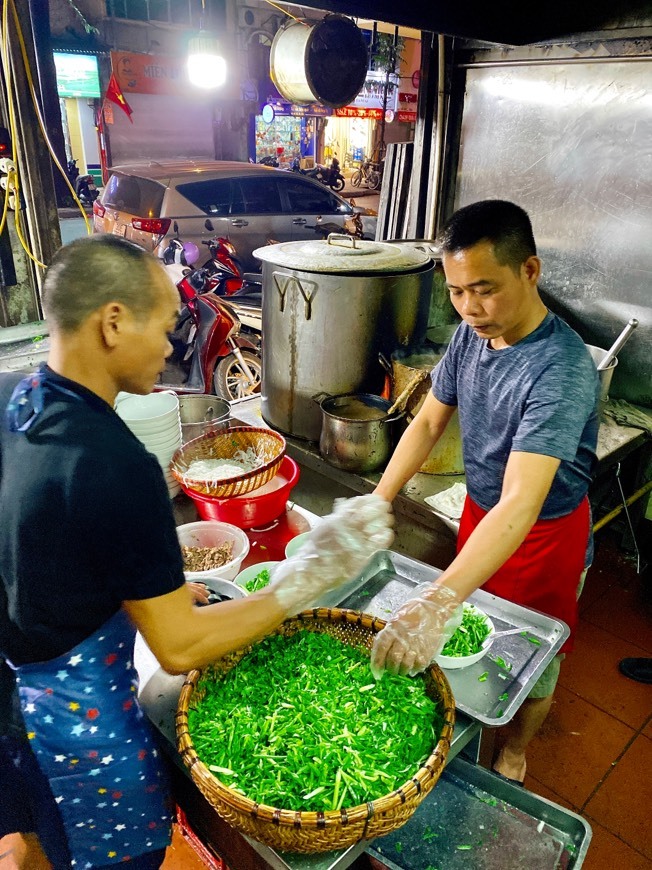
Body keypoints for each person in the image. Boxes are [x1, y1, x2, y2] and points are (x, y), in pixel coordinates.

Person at [0, 235, 393, 869]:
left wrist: (150, 590)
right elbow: (179, 648)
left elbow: (38, 534)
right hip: (74, 729)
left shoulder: (13, 398)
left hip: (12, 701)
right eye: (162, 327)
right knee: (128, 851)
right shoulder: (115, 463)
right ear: (112, 322)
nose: (169, 347)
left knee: (45, 841)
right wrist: (301, 582)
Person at [370, 200, 600, 786]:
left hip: (545, 533)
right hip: (482, 513)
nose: (469, 308)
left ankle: (517, 747)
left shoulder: (560, 368)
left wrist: (436, 599)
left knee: (535, 664)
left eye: (485, 289)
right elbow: (426, 422)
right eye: (455, 292)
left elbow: (523, 502)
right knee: (475, 631)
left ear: (530, 271)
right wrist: (378, 499)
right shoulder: (473, 336)